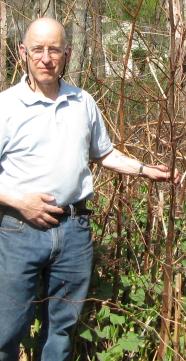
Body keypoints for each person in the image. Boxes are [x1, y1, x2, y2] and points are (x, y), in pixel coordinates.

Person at [0, 17, 180, 361]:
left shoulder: (82, 102)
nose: (46, 58)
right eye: (37, 49)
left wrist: (145, 170)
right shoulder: (5, 106)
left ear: (67, 53)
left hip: (74, 231)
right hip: (19, 231)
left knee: (62, 333)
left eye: (54, 49)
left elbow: (104, 153)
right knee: (6, 330)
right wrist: (20, 202)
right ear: (23, 52)